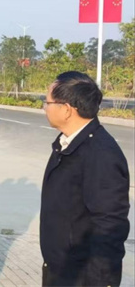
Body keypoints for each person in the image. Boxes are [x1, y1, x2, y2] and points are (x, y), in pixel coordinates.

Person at [40, 71, 130, 286]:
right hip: (61, 269)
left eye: (47, 102)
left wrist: (101, 282)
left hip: (81, 277)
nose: (44, 108)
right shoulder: (68, 143)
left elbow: (109, 226)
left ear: (66, 109)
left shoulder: (101, 154)